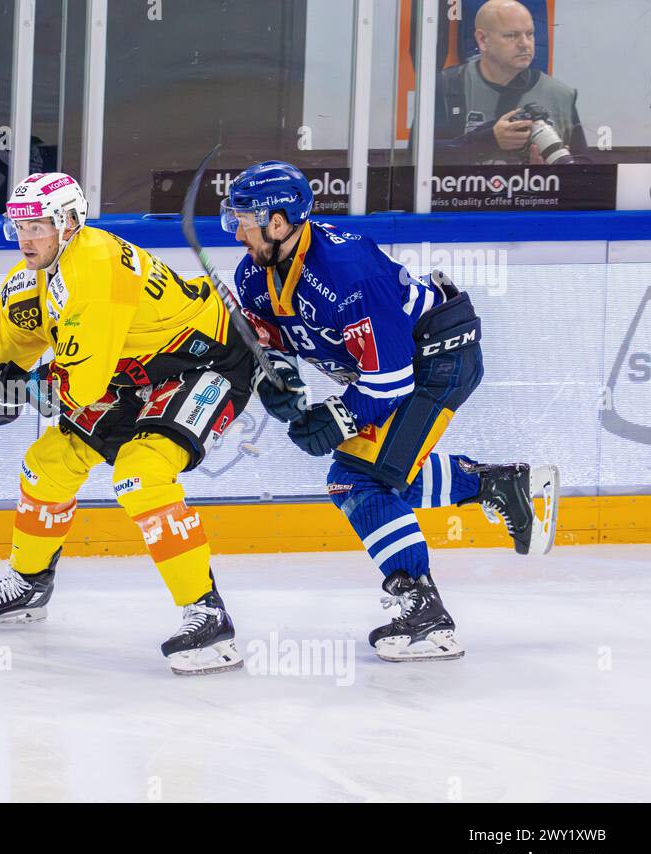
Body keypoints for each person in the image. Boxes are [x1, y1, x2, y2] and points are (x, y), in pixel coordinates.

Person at [0, 172, 256, 675]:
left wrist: (14, 389)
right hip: (128, 374)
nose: (26, 239)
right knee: (46, 464)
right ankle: (29, 584)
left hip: (202, 365)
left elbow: (75, 389)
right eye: (18, 226)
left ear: (70, 223)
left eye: (38, 226)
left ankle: (208, 613)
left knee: (142, 474)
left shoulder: (95, 267)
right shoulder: (26, 284)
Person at [227, 160, 560, 662]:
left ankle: (424, 613)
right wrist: (279, 384)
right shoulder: (255, 271)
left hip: (439, 358)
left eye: (246, 220)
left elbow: (390, 379)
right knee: (380, 469)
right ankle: (495, 484)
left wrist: (336, 418)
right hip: (399, 367)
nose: (238, 232)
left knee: (358, 478)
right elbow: (270, 341)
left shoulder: (348, 271)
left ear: (278, 222)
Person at [432, 0, 585, 165]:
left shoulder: (560, 95)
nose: (525, 44)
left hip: (534, 189)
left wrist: (549, 174)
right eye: (511, 35)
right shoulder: (446, 86)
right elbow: (419, 156)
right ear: (482, 40)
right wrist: (488, 141)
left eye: (530, 34)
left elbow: (588, 170)